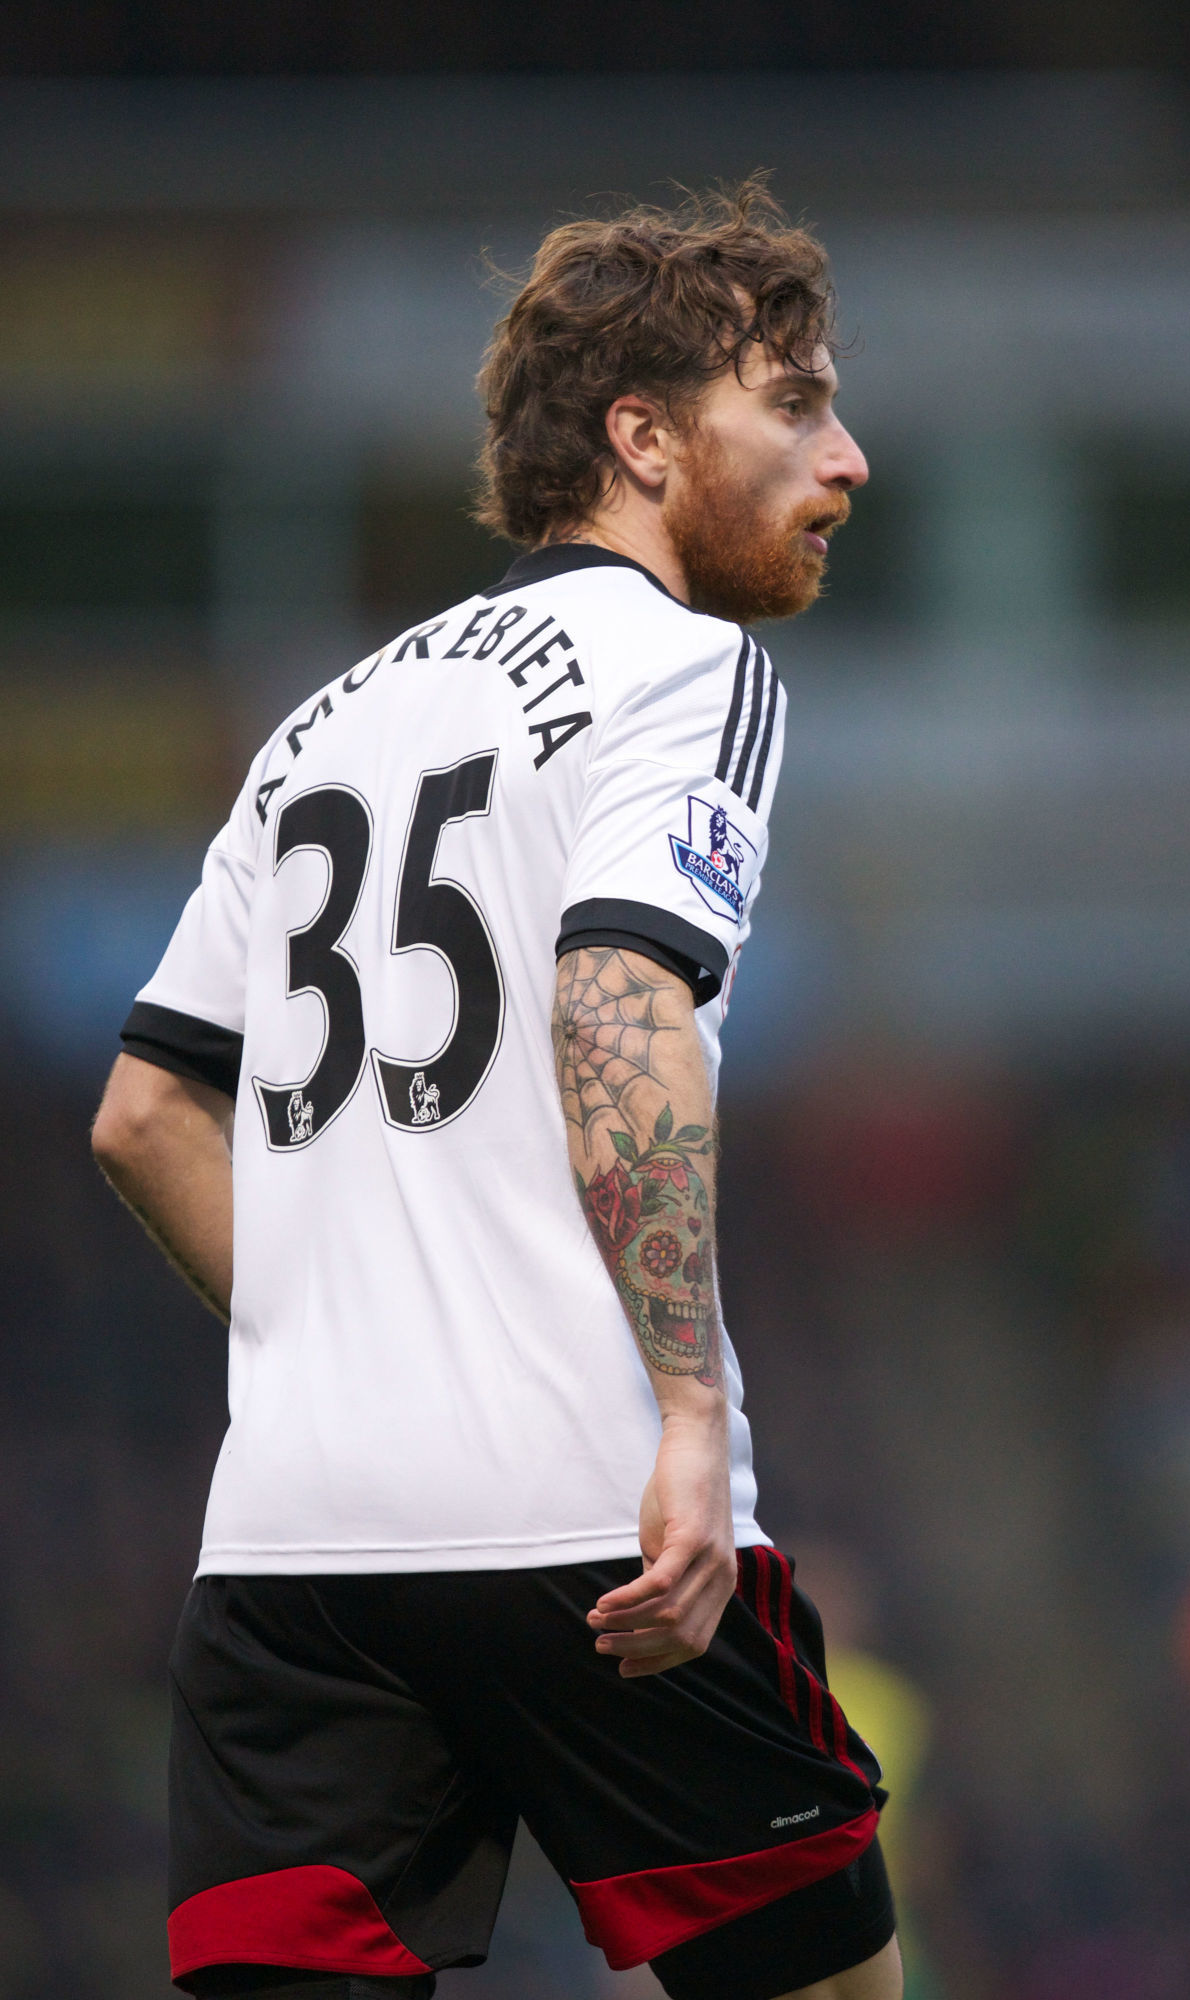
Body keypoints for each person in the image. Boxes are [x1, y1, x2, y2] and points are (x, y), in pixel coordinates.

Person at [92, 182, 901, 2000]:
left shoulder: (320, 724)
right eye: (796, 405)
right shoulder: (689, 670)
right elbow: (616, 1001)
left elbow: (145, 1113)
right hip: (581, 1514)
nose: (846, 458)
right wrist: (687, 1415)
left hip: (288, 1546)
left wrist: (340, 1343)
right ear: (642, 438)